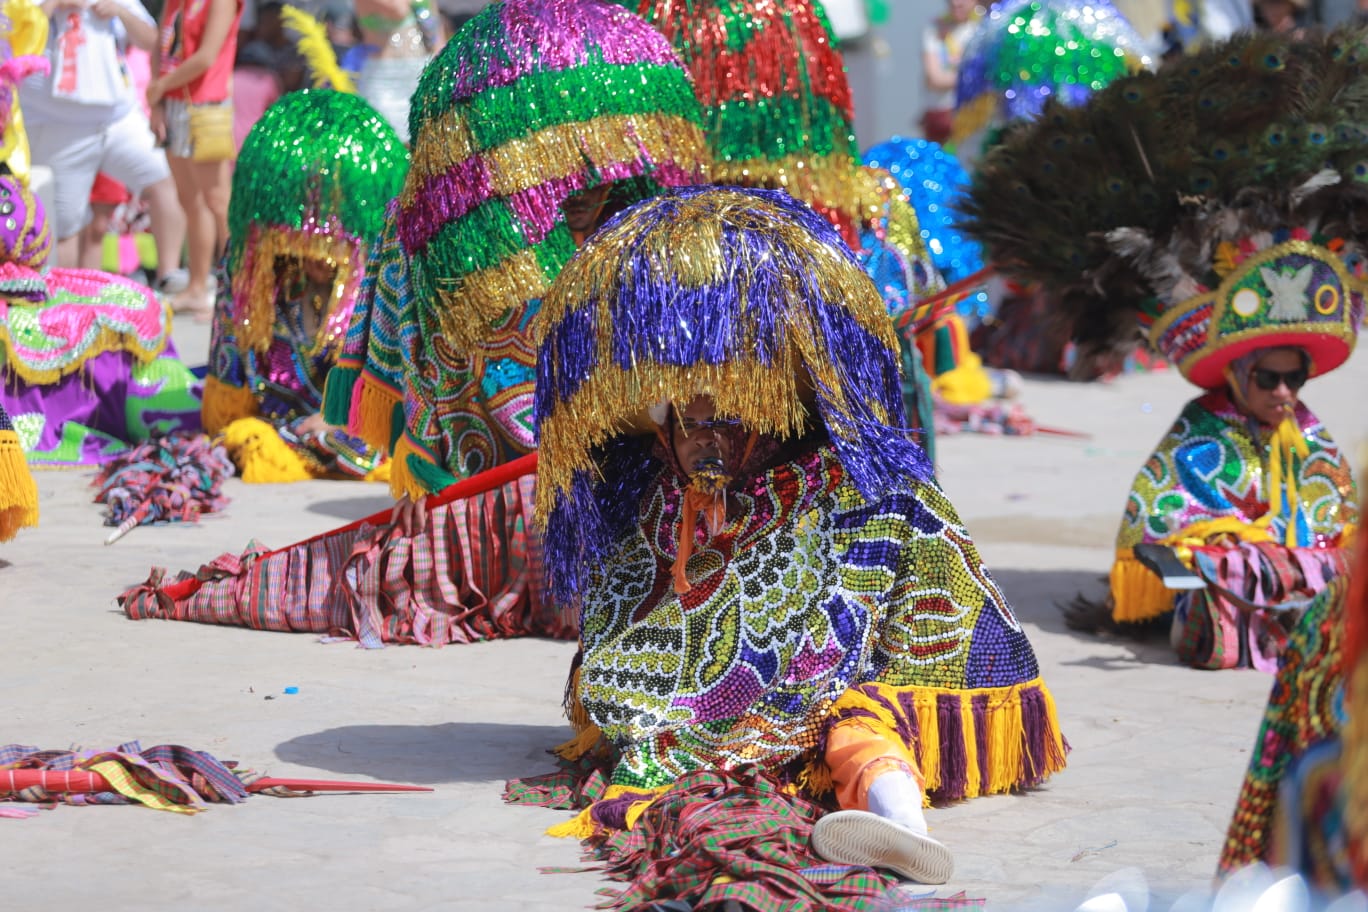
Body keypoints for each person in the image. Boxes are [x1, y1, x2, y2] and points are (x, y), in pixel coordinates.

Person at [507, 187, 1067, 905]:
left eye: (727, 404)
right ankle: (880, 810)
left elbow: (948, 622)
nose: (702, 428)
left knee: (861, 731)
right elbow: (628, 628)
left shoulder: (878, 502)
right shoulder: (654, 499)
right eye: (684, 412)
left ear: (778, 401)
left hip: (850, 701)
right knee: (830, 741)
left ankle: (901, 823)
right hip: (730, 735)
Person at [961, 28, 1363, 668]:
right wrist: (1239, 548)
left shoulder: (1308, 435)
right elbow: (1165, 517)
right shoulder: (1199, 432)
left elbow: (1336, 520)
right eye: (1271, 379)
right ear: (1237, 371)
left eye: (1296, 380)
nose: (1285, 394)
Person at [200, 88, 408, 482]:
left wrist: (346, 419)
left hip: (361, 426)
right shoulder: (252, 268)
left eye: (334, 246)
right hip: (281, 420)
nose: (319, 254)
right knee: (249, 438)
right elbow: (226, 403)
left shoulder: (387, 273)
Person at [19, 0, 188, 296]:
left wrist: (120, 12)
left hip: (117, 118)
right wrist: (53, 5)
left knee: (165, 178)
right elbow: (15, 41)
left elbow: (151, 39)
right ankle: (63, 299)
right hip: (58, 125)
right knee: (64, 224)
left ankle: (169, 276)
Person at [149, 0, 242, 319]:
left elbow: (206, 57)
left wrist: (159, 86)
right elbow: (159, 48)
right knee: (190, 201)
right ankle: (198, 288)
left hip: (205, 106)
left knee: (219, 202)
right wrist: (157, 100)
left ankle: (237, 291)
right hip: (174, 102)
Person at [350, 0, 437, 142]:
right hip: (385, 81)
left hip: (421, 73)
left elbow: (436, 29)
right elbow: (398, 9)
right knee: (388, 145)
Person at [921, 0, 978, 145]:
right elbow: (935, 79)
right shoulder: (935, 28)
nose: (956, 3)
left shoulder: (983, 28)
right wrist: (973, 79)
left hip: (973, 116)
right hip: (941, 115)